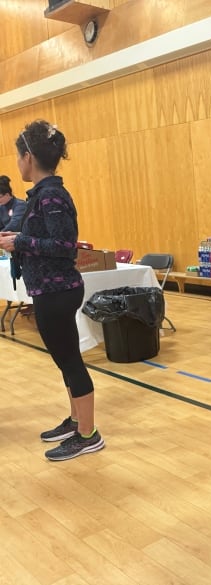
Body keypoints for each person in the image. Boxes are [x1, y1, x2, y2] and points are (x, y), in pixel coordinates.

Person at [0, 120, 104, 461]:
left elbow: (64, 245)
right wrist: (16, 239)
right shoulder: (41, 195)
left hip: (58, 290)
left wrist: (21, 241)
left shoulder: (53, 196)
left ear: (28, 157)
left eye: (18, 156)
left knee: (71, 361)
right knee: (64, 360)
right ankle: (76, 420)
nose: (17, 163)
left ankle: (88, 434)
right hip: (48, 290)